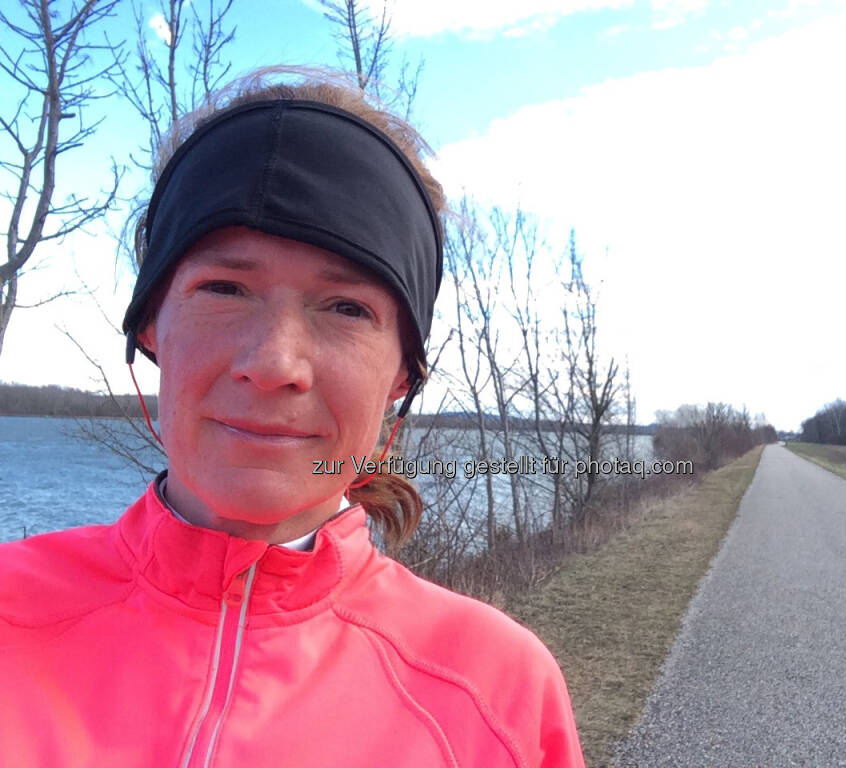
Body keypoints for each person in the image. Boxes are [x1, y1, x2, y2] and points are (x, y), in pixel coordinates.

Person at [0, 66, 586, 768]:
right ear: (151, 326)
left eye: (346, 308)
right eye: (225, 288)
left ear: (403, 374)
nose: (275, 363)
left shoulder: (494, 697)